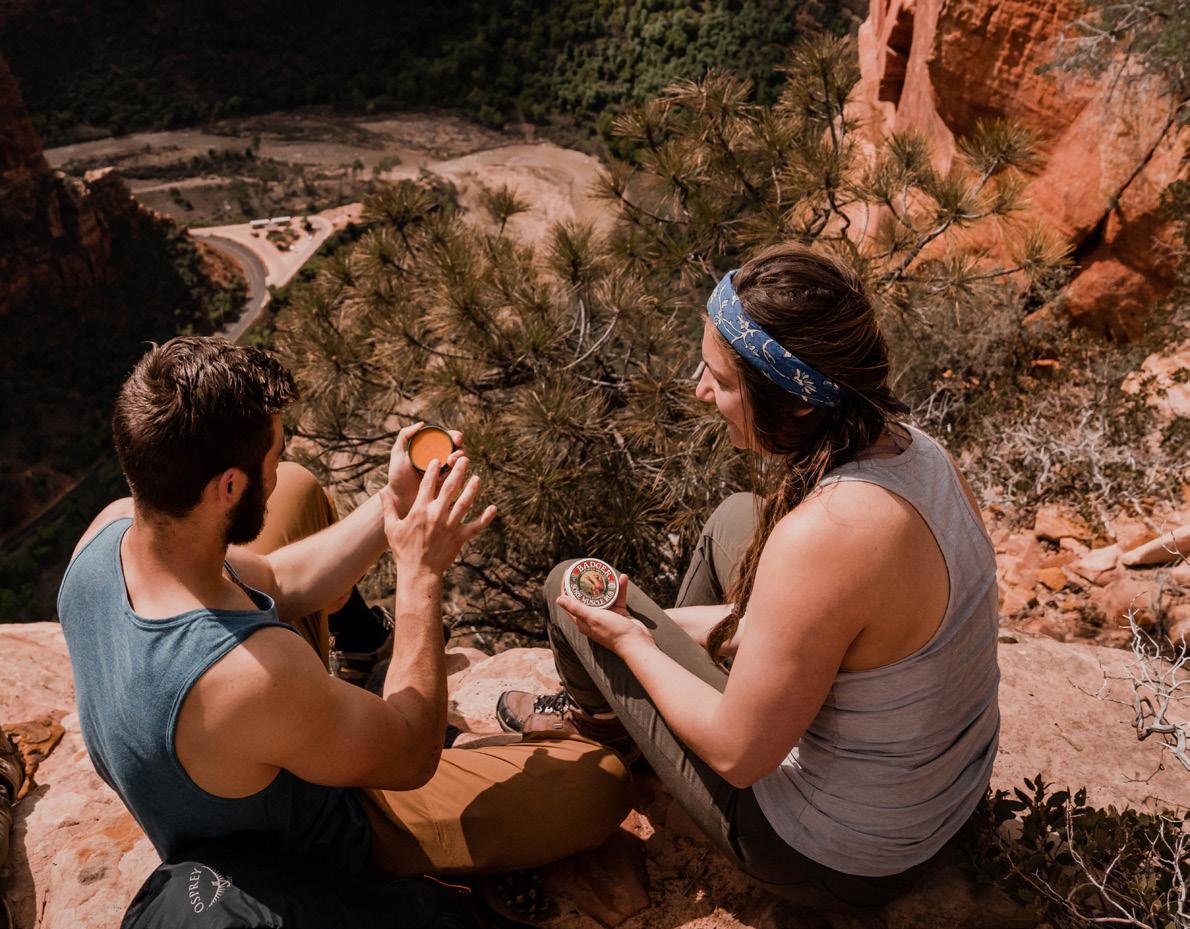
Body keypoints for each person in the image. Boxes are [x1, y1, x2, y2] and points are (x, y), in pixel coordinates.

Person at [498, 243, 1001, 906]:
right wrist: (662, 627)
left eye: (721, 380)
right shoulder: (916, 451)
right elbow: (811, 614)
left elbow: (739, 756)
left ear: (797, 402)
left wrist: (633, 642)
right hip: (938, 798)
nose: (700, 391)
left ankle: (610, 732)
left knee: (566, 585)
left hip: (837, 855)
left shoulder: (827, 536)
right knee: (737, 517)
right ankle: (657, 709)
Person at [56, 337, 632, 911]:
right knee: (599, 784)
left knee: (298, 489)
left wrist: (393, 505)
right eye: (271, 456)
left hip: (230, 762)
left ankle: (361, 663)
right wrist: (420, 572)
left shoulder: (109, 534)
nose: (274, 469)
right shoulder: (248, 674)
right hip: (315, 834)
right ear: (227, 486)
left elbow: (278, 581)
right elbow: (412, 752)